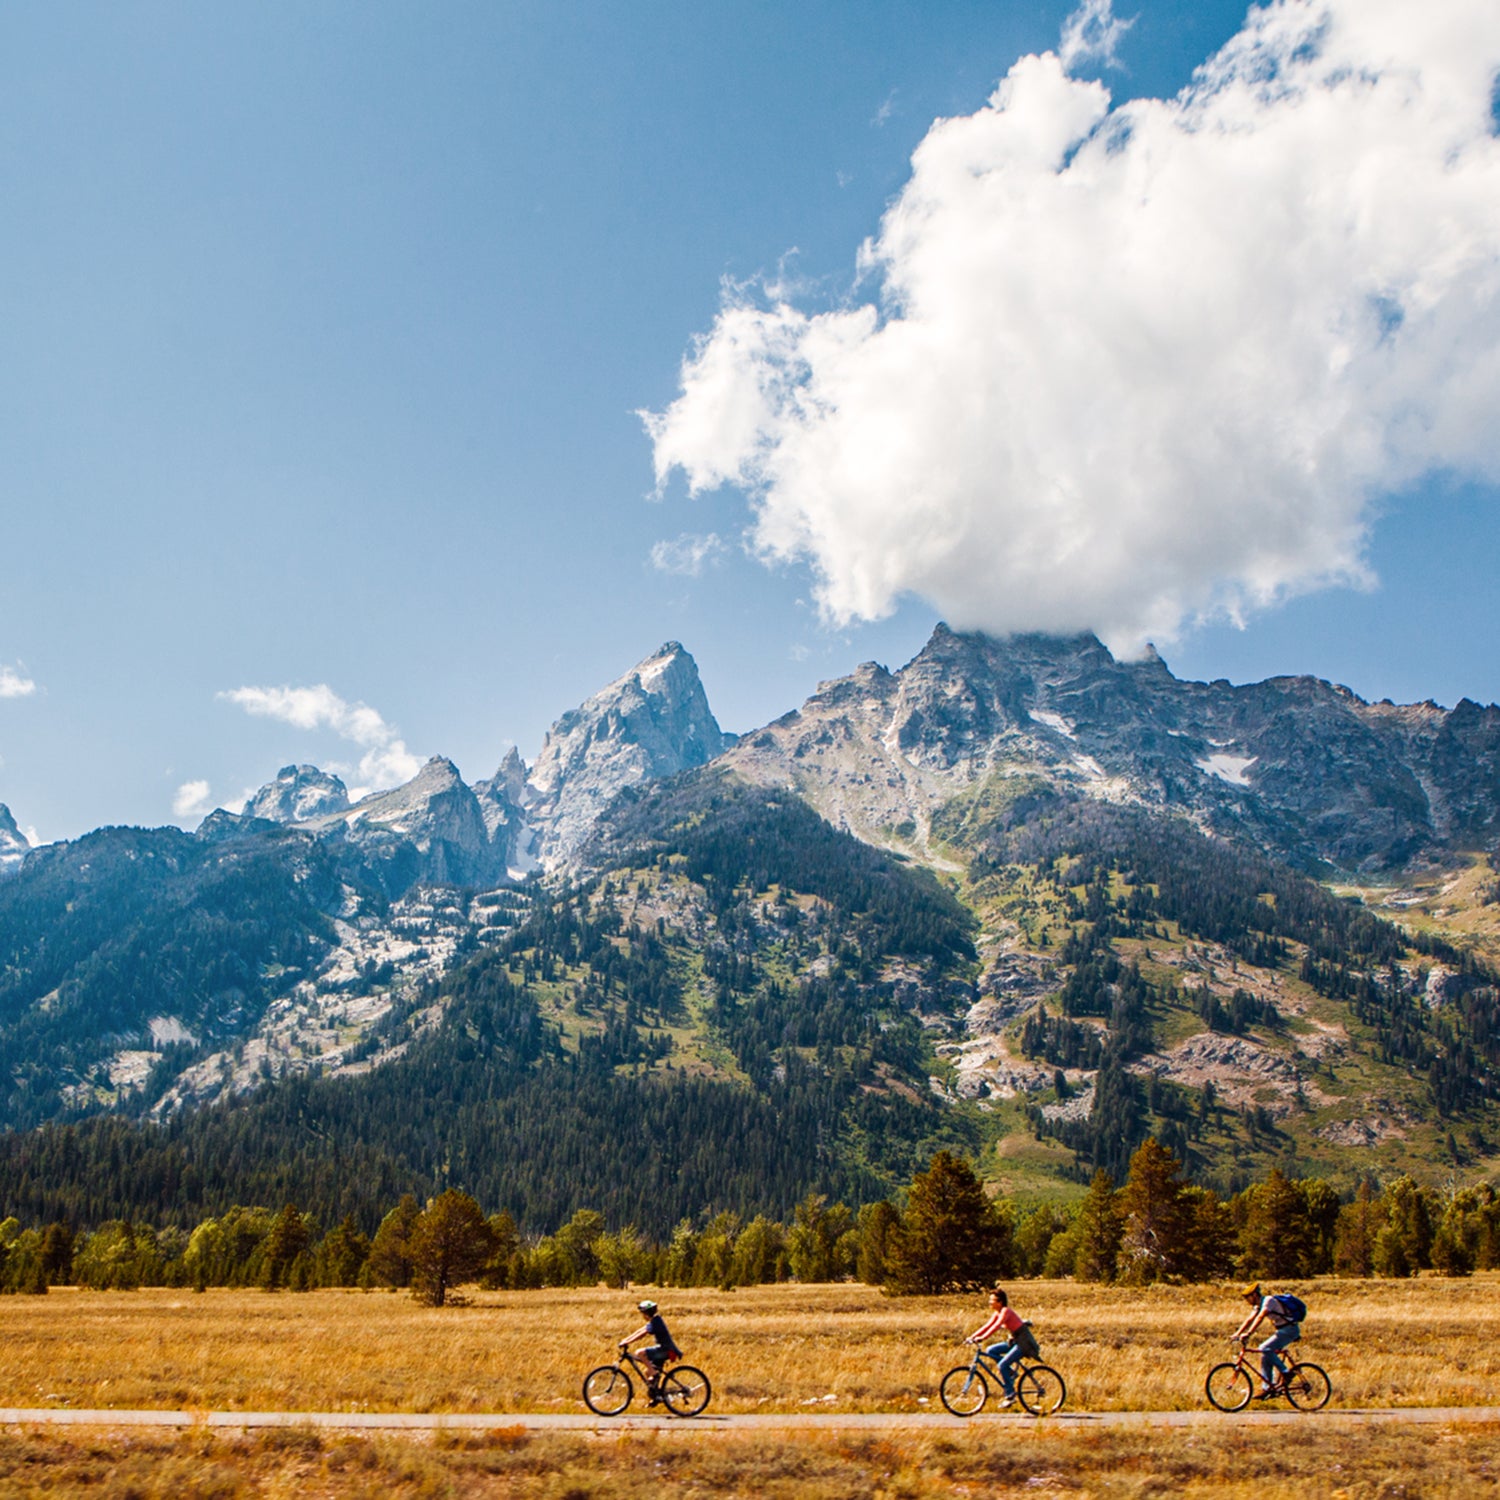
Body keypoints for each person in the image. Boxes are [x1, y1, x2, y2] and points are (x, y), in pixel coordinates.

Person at [1233, 1283, 1302, 1396]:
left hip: (1290, 1330)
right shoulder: (1257, 1306)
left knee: (1264, 1348)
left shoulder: (1268, 1301)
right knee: (1265, 1355)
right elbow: (1249, 1319)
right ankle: (1268, 1388)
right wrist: (1237, 1334)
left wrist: (1249, 1333)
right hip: (1282, 1330)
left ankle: (1286, 1373)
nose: (1246, 1300)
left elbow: (1260, 1317)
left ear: (1254, 1295)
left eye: (1247, 1297)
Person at [966, 1286, 1028, 1407]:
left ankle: (1010, 1395)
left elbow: (996, 1326)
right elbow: (987, 1326)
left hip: (1023, 1343)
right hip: (1014, 1342)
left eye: (992, 1300)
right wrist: (972, 1337)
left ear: (1000, 1302)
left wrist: (982, 1338)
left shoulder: (1005, 1311)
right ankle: (1011, 1373)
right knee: (990, 1350)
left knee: (1002, 1365)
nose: (990, 1302)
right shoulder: (997, 1312)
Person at [620, 1299, 682, 1401]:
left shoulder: (656, 1321)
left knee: (639, 1353)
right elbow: (640, 1330)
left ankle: (654, 1373)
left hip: (666, 1350)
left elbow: (642, 1334)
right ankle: (656, 1396)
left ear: (646, 1313)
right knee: (647, 1373)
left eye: (642, 1313)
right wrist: (626, 1340)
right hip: (663, 1349)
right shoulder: (655, 1320)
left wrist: (627, 1342)